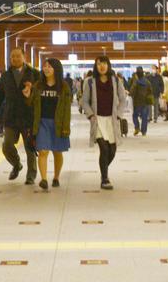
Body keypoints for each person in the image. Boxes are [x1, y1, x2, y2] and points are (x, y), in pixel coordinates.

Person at [0, 48, 40, 184]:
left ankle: (31, 175)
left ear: (24, 57)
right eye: (12, 56)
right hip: (11, 116)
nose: (14, 59)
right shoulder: (6, 75)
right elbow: (0, 96)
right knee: (7, 144)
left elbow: (40, 94)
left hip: (28, 116)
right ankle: (16, 164)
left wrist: (32, 89)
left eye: (17, 56)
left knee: (30, 147)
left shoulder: (34, 74)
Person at [82, 55, 127, 190]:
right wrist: (90, 116)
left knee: (112, 150)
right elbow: (84, 101)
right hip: (98, 120)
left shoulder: (116, 81)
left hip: (111, 120)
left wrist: (118, 115)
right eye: (99, 64)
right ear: (95, 66)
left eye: (104, 63)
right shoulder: (90, 82)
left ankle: (103, 170)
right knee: (104, 148)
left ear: (108, 65)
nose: (102, 66)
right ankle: (105, 178)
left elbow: (123, 99)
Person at [30, 58, 72, 191]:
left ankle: (56, 177)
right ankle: (43, 179)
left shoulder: (63, 86)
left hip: (58, 123)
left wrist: (66, 127)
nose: (46, 69)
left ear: (56, 69)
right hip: (42, 122)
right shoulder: (38, 86)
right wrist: (27, 95)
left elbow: (67, 108)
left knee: (57, 152)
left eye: (50, 66)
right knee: (43, 150)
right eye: (45, 66)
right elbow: (31, 104)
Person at [129, 67, 154, 136]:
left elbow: (131, 91)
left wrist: (130, 94)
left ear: (137, 74)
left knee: (135, 116)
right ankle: (144, 131)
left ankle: (137, 127)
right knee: (144, 117)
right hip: (145, 102)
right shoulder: (147, 82)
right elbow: (151, 91)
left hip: (137, 102)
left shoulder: (136, 82)